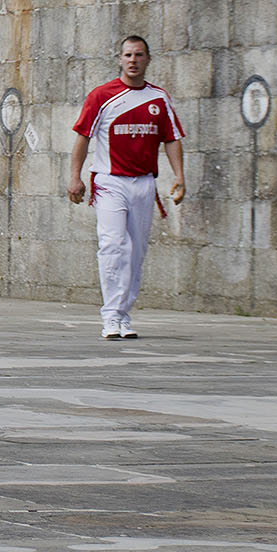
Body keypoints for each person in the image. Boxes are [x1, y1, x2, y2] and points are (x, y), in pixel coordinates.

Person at [67, 35, 186, 341]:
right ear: (120, 59)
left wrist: (179, 176)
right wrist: (75, 177)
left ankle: (123, 315)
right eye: (128, 55)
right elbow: (83, 137)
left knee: (136, 252)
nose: (133, 60)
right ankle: (110, 317)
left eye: (139, 55)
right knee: (113, 245)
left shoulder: (159, 98)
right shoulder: (101, 96)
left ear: (148, 59)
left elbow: (171, 138)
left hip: (144, 183)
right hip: (109, 181)